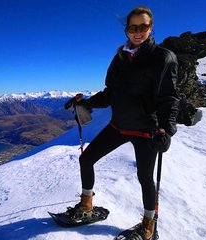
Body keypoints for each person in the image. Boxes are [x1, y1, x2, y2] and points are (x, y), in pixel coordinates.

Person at [67, 6, 179, 240]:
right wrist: (88, 104)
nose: (137, 32)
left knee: (145, 178)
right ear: (126, 30)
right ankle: (86, 205)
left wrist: (166, 130)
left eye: (143, 27)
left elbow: (169, 98)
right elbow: (111, 92)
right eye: (132, 27)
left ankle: (149, 226)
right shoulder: (120, 59)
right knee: (86, 159)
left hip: (147, 130)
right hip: (119, 125)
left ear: (151, 28)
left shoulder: (162, 58)